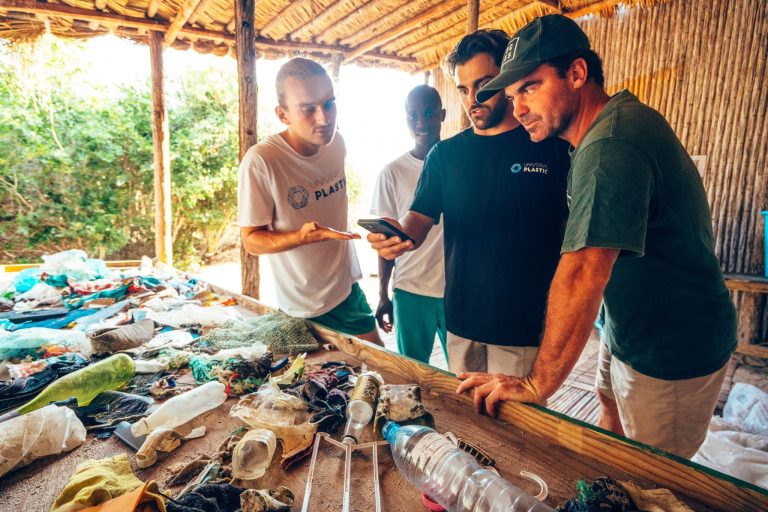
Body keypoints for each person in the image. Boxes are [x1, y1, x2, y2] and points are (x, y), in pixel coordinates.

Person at [458, 14, 737, 458]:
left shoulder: (611, 147)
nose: (518, 108)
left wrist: (536, 383)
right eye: (512, 96)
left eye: (529, 87)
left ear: (577, 73)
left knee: (655, 481)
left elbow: (584, 271)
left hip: (671, 352)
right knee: (610, 428)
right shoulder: (609, 125)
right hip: (628, 326)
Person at [368, 30, 570, 376]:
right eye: (463, 89)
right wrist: (397, 237)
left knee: (517, 428)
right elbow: (419, 217)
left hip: (523, 328)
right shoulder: (446, 155)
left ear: (508, 79)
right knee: (468, 423)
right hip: (461, 325)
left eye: (484, 83)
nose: (473, 98)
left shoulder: (549, 147)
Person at [238, 57, 382, 345]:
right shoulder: (262, 161)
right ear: (283, 114)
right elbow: (251, 240)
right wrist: (302, 237)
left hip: (346, 291)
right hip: (301, 307)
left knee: (386, 371)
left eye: (329, 103)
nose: (324, 119)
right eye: (308, 109)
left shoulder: (336, 143)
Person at [370, 85, 448, 364]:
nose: (421, 122)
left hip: (456, 292)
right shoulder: (392, 172)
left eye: (428, 113)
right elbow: (385, 240)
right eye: (412, 115)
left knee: (465, 376)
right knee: (412, 375)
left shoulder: (459, 163)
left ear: (442, 115)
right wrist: (382, 294)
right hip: (410, 292)